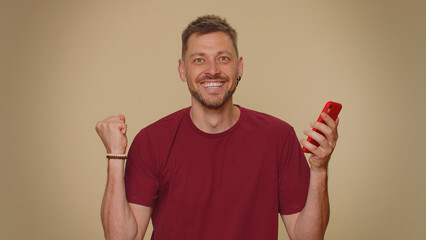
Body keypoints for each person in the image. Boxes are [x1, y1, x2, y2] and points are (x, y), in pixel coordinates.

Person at [95, 15, 339, 240]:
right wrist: (115, 158)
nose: (212, 70)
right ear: (183, 70)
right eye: (199, 59)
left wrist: (319, 170)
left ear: (239, 67)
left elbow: (307, 237)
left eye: (223, 58)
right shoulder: (151, 141)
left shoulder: (279, 137)